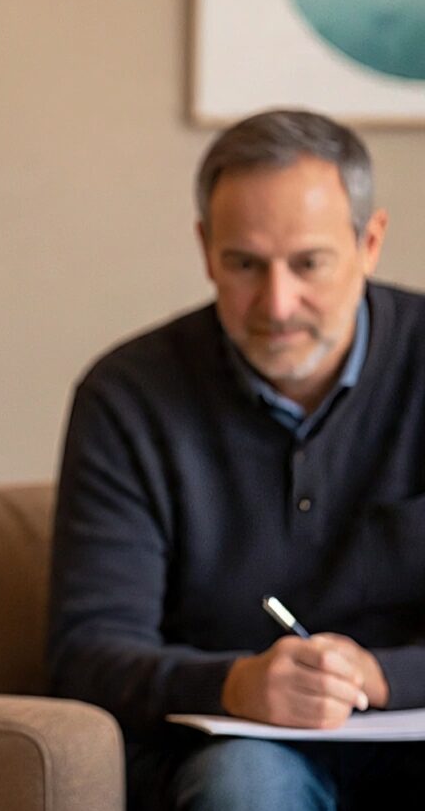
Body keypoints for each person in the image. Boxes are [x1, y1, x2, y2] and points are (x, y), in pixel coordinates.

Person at [48, 109, 425, 810]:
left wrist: (380, 674)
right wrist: (234, 683)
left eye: (308, 263)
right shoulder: (127, 396)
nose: (277, 304)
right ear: (205, 248)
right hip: (236, 748)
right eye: (244, 264)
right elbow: (88, 651)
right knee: (245, 785)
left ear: (370, 243)